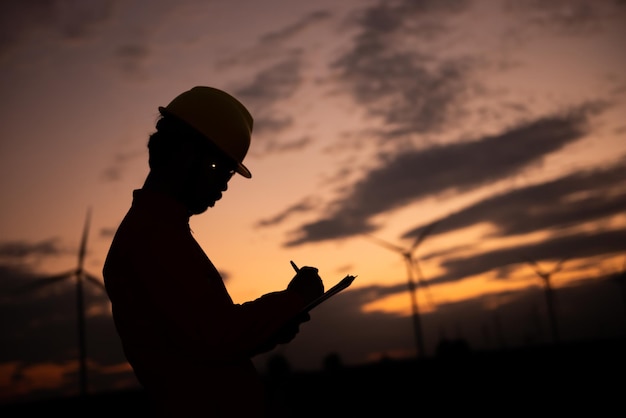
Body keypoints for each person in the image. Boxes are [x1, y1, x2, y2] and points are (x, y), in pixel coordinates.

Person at [102, 86, 325, 417]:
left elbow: (208, 336)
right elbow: (219, 335)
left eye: (228, 174)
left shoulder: (163, 230)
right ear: (182, 155)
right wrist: (293, 299)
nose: (223, 185)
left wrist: (280, 320)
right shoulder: (153, 238)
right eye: (216, 169)